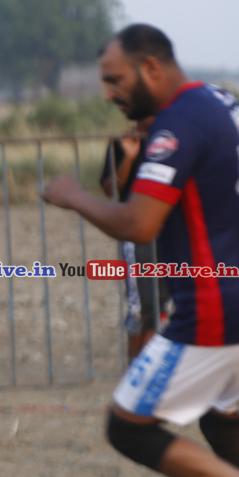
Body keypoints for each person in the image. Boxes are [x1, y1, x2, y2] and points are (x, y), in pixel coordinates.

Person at [43, 23, 239, 477]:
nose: (108, 94)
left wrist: (72, 196)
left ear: (151, 67)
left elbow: (138, 223)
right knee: (223, 417)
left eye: (115, 80)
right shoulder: (221, 101)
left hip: (216, 306)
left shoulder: (178, 123)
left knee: (128, 427)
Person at [100, 117, 171, 360]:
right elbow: (110, 188)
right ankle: (134, 372)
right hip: (136, 235)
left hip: (169, 233)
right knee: (140, 308)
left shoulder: (172, 142)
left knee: (160, 304)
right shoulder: (122, 143)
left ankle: (146, 369)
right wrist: (129, 157)